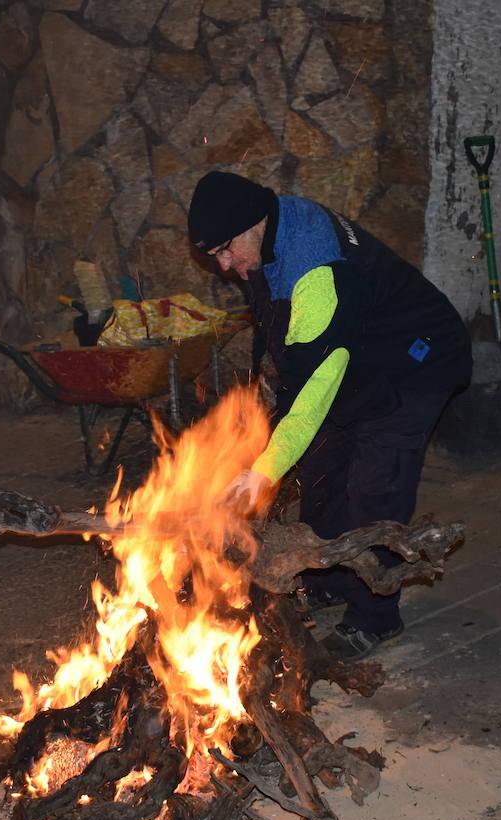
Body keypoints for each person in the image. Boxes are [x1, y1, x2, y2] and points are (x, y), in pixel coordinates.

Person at [188, 171, 471, 660]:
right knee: (321, 467)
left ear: (254, 223)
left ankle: (374, 617)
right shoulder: (268, 230)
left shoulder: (318, 269)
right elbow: (288, 340)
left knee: (373, 486)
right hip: (356, 354)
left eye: (226, 249)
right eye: (213, 255)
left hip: (416, 360)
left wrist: (264, 469)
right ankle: (328, 580)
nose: (224, 265)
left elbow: (316, 386)